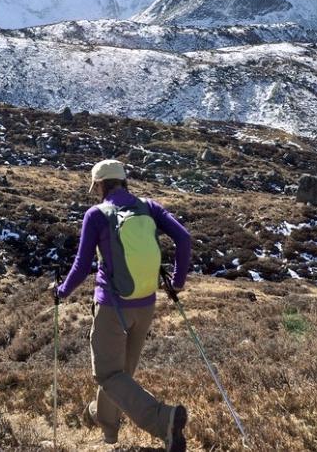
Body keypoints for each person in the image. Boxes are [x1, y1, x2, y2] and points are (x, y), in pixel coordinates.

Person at [53, 159, 192, 451]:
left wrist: (61, 291)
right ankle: (106, 426)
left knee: (108, 374)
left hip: (112, 307)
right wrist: (177, 282)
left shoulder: (96, 215)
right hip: (146, 304)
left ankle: (162, 419)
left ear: (101, 185)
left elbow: (81, 265)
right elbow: (184, 238)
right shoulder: (149, 207)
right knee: (121, 375)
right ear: (124, 182)